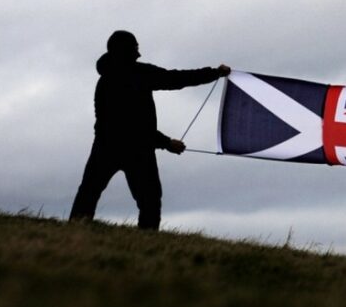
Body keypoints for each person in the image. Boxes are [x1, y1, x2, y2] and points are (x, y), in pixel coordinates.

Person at [70, 30, 230, 230]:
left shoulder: (106, 81)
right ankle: (147, 240)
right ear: (127, 50)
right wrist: (166, 143)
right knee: (149, 200)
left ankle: (74, 233)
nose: (139, 52)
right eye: (135, 47)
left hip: (106, 145)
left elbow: (175, 79)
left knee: (89, 192)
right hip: (136, 149)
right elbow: (174, 81)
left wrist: (213, 73)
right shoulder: (139, 74)